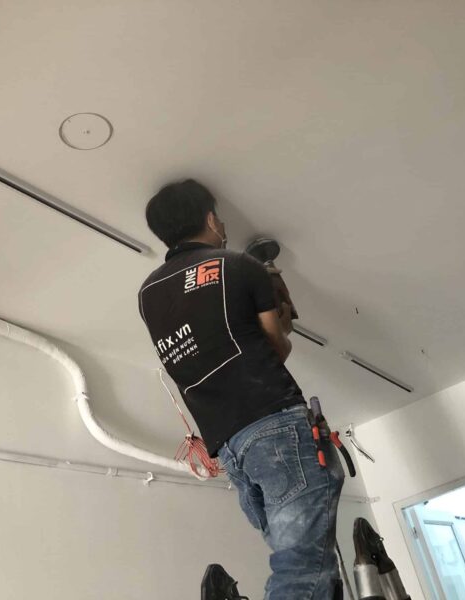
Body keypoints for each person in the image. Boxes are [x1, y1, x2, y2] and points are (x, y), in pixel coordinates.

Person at [139, 179, 345, 599]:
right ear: (211, 219)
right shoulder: (239, 265)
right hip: (274, 428)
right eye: (219, 217)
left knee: (301, 564)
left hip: (230, 449)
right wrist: (281, 320)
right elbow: (277, 348)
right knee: (305, 568)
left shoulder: (147, 295)